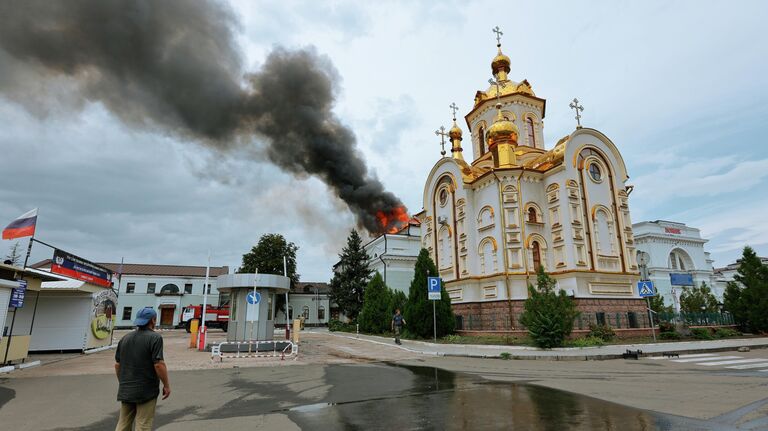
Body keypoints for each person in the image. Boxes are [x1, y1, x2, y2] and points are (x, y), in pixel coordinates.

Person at [114, 307, 170, 431]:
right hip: (146, 390)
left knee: (123, 423)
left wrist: (123, 382)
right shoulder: (155, 338)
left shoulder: (125, 338)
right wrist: (166, 385)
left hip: (126, 388)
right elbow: (158, 364)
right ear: (153, 320)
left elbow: (118, 365)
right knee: (143, 424)